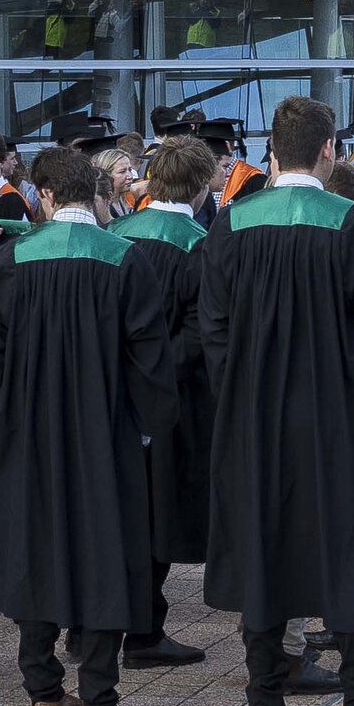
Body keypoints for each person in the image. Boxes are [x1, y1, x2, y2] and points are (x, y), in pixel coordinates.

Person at [199, 92, 354, 706]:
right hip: (339, 416)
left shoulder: (230, 223)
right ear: (328, 150)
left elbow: (213, 328)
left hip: (254, 416)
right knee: (352, 550)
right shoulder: (351, 222)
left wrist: (237, 397)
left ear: (272, 151)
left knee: (262, 549)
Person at [0, 144, 160, 706]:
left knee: (35, 550)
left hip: (28, 437)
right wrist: (145, 427)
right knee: (106, 553)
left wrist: (6, 422)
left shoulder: (12, 259)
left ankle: (46, 696)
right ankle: (100, 701)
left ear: (46, 195)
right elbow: (148, 360)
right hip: (105, 435)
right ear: (92, 191)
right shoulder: (123, 257)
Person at [111, 132, 220, 660]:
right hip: (171, 399)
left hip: (109, 394)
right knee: (156, 513)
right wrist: (153, 375)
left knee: (114, 510)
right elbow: (200, 332)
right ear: (199, 186)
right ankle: (145, 631)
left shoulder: (114, 234)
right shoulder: (200, 243)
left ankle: (94, 624)